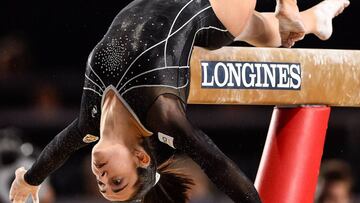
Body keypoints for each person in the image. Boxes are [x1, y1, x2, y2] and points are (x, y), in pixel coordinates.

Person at [9, 0, 349, 202]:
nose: (102, 178)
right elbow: (217, 165)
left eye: (103, 186)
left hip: (181, 8)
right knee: (266, 22)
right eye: (117, 182)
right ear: (141, 157)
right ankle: (288, 7)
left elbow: (59, 149)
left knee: (271, 32)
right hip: (212, 10)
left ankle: (312, 19)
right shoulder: (161, 110)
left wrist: (27, 182)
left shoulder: (91, 118)